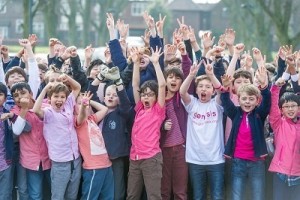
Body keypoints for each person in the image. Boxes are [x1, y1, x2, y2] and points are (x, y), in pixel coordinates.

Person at [220, 65, 271, 200]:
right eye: (244, 99)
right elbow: (225, 101)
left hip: (257, 162)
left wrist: (264, 86)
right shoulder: (235, 113)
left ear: (257, 101)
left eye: (251, 99)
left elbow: (267, 102)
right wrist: (225, 88)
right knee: (237, 195)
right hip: (238, 162)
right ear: (239, 99)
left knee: (258, 196)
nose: (247, 102)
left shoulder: (259, 114)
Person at [180, 61, 225, 200]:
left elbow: (221, 91)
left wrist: (211, 75)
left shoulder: (217, 104)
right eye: (200, 86)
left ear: (212, 91)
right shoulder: (192, 104)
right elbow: (182, 92)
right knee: (198, 196)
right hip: (195, 160)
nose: (204, 89)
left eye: (207, 87)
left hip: (216, 160)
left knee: (217, 196)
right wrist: (191, 75)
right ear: (197, 90)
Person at [33, 74, 81, 200]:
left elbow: (77, 88)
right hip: (60, 162)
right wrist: (45, 89)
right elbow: (36, 110)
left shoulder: (69, 105)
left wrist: (67, 78)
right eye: (56, 96)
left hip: (75, 158)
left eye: (62, 97)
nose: (59, 99)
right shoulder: (48, 112)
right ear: (50, 98)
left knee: (72, 195)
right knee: (58, 196)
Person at [126, 46, 166, 200]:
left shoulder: (158, 110)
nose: (146, 98)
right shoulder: (140, 109)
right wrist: (136, 63)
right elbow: (135, 85)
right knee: (132, 196)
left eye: (150, 95)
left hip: (151, 159)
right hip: (134, 158)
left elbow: (162, 85)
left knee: (154, 196)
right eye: (144, 95)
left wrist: (155, 63)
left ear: (156, 97)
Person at [10, 82, 50, 200]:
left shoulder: (45, 105)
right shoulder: (16, 111)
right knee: (35, 194)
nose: (20, 97)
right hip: (32, 161)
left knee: (54, 190)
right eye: (16, 95)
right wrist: (24, 109)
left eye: (23, 93)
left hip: (50, 157)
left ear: (31, 94)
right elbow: (17, 130)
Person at [75, 91, 114, 199]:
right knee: (90, 197)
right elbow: (81, 115)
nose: (84, 104)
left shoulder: (92, 119)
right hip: (93, 167)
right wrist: (83, 105)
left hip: (106, 164)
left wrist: (88, 101)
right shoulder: (79, 122)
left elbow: (104, 109)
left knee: (108, 197)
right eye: (79, 103)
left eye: (84, 103)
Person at [268, 77, 300, 200]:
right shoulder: (278, 124)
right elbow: (273, 107)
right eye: (287, 106)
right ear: (281, 110)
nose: (290, 109)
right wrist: (276, 88)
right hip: (280, 173)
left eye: (293, 106)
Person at [0, 82, 14, 200]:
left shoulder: (7, 113)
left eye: (0, 94)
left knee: (5, 195)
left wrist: (11, 116)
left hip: (4, 162)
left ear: (5, 97)